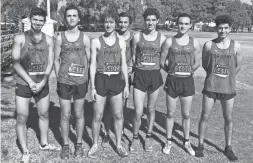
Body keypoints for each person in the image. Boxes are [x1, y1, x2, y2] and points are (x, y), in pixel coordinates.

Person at [12, 7, 60, 163]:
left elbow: (51, 62)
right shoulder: (20, 38)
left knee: (44, 114)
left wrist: (43, 81)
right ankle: (25, 151)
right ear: (30, 20)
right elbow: (15, 63)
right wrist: (31, 81)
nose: (38, 22)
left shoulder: (49, 39)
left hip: (42, 83)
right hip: (24, 83)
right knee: (21, 117)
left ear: (44, 21)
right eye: (35, 20)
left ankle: (44, 143)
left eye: (41, 20)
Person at [195, 14, 242, 162]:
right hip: (211, 87)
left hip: (228, 89)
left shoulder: (236, 46)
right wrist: (214, 75)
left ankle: (228, 147)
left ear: (230, 28)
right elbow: (205, 64)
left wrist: (228, 77)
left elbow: (238, 66)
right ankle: (200, 145)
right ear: (216, 28)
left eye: (226, 28)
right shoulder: (209, 45)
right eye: (220, 28)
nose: (223, 31)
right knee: (205, 116)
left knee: (228, 118)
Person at [88, 11, 129, 158]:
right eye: (106, 22)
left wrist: (126, 85)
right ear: (102, 23)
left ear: (115, 24)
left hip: (116, 80)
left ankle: (118, 144)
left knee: (118, 114)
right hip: (101, 80)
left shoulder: (122, 41)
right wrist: (92, 87)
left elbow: (124, 64)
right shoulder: (96, 41)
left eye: (112, 22)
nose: (109, 25)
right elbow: (92, 65)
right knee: (97, 115)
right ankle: (94, 144)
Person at [160, 13, 201, 156]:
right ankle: (169, 140)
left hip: (187, 82)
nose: (183, 26)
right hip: (172, 81)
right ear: (176, 24)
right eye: (180, 23)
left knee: (186, 114)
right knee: (170, 113)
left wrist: (190, 71)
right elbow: (161, 62)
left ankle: (186, 141)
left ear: (190, 25)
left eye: (186, 23)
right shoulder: (169, 42)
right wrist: (171, 72)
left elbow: (197, 63)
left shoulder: (194, 42)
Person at [54, 4, 90, 159]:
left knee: (79, 113)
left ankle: (79, 144)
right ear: (65, 18)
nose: (71, 18)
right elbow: (56, 60)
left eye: (74, 15)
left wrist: (86, 78)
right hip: (64, 82)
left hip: (80, 82)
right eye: (68, 15)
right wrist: (59, 76)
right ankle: (66, 145)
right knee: (65, 115)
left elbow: (89, 60)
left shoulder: (85, 38)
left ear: (79, 18)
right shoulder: (59, 38)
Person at [130, 8, 166, 153]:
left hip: (154, 76)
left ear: (157, 21)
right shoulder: (137, 37)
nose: (150, 22)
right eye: (148, 20)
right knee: (138, 111)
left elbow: (163, 58)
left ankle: (149, 136)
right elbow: (133, 56)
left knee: (151, 109)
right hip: (140, 75)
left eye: (153, 20)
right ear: (144, 21)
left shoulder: (162, 38)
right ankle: (135, 137)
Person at [101, 12, 134, 148]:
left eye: (125, 22)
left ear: (129, 23)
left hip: (124, 74)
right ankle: (106, 133)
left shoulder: (133, 37)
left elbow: (136, 53)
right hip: (111, 74)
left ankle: (120, 130)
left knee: (122, 105)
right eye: (120, 22)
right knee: (108, 105)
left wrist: (131, 66)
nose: (122, 24)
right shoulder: (113, 35)